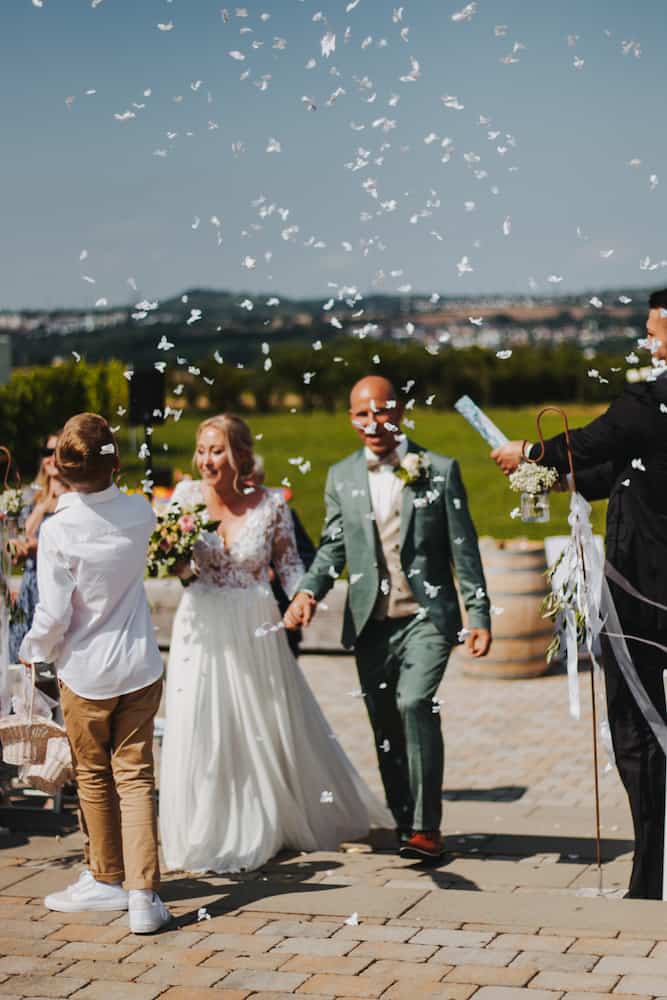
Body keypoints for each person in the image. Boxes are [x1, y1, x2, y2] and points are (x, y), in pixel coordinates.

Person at [491, 288, 667, 899]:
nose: (648, 342)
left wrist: (528, 453)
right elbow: (613, 470)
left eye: (655, 331)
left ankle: (651, 876)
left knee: (637, 729)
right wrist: (546, 478)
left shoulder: (646, 403)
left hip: (642, 598)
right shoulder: (649, 418)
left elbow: (586, 444)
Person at [159, 414, 390, 874]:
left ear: (241, 455)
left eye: (217, 451)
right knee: (203, 721)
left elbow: (288, 566)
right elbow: (178, 568)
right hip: (200, 625)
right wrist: (176, 560)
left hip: (255, 623)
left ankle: (265, 819)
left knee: (260, 720)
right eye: (202, 451)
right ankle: (205, 829)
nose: (207, 461)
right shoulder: (184, 498)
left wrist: (303, 598)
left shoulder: (270, 505)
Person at [285, 376, 492, 860]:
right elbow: (332, 547)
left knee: (414, 702)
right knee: (385, 727)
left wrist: (479, 613)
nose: (373, 422)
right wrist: (308, 592)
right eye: (362, 413)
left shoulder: (439, 469)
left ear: (399, 411)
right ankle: (405, 824)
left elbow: (463, 548)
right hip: (371, 623)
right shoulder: (341, 476)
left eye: (381, 410)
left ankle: (426, 828)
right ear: (351, 419)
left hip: (426, 616)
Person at [18, 413, 170, 932]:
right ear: (116, 462)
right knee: (136, 777)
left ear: (60, 468)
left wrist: (33, 649)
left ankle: (106, 878)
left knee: (94, 777)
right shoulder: (140, 512)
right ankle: (143, 896)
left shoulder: (60, 529)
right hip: (139, 665)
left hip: (85, 674)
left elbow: (54, 613)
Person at [9, 430, 67, 669]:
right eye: (47, 452)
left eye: (57, 452)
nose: (51, 458)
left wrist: (38, 548)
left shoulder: (74, 500)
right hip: (31, 588)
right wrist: (42, 506)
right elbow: (22, 537)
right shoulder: (32, 497)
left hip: (57, 587)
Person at [251, 454, 316, 656]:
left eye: (251, 481)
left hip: (278, 616)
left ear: (260, 480)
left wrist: (277, 574)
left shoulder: (282, 513)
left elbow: (308, 557)